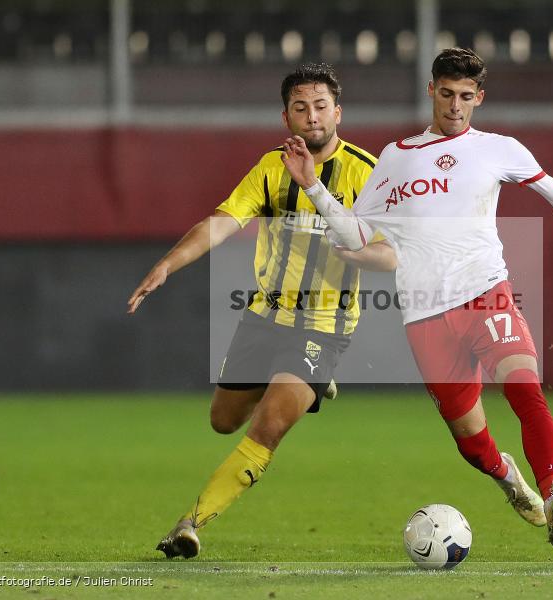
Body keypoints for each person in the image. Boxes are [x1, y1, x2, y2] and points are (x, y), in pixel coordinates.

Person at [280, 48, 553, 547]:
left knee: (525, 389)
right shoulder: (396, 157)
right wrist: (313, 187)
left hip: (487, 295)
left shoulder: (498, 149)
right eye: (446, 94)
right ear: (431, 92)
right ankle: (509, 479)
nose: (455, 105)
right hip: (425, 317)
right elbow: (355, 234)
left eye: (465, 96)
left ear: (479, 97)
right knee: (473, 444)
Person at [127, 63, 397, 559]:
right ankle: (309, 383)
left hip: (323, 326)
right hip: (264, 317)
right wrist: (168, 264)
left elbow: (392, 255)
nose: (312, 116)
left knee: (267, 427)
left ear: (337, 112)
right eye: (300, 108)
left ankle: (190, 523)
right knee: (223, 420)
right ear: (286, 117)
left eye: (320, 106)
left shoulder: (368, 173)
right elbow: (221, 223)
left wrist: (358, 254)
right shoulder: (272, 168)